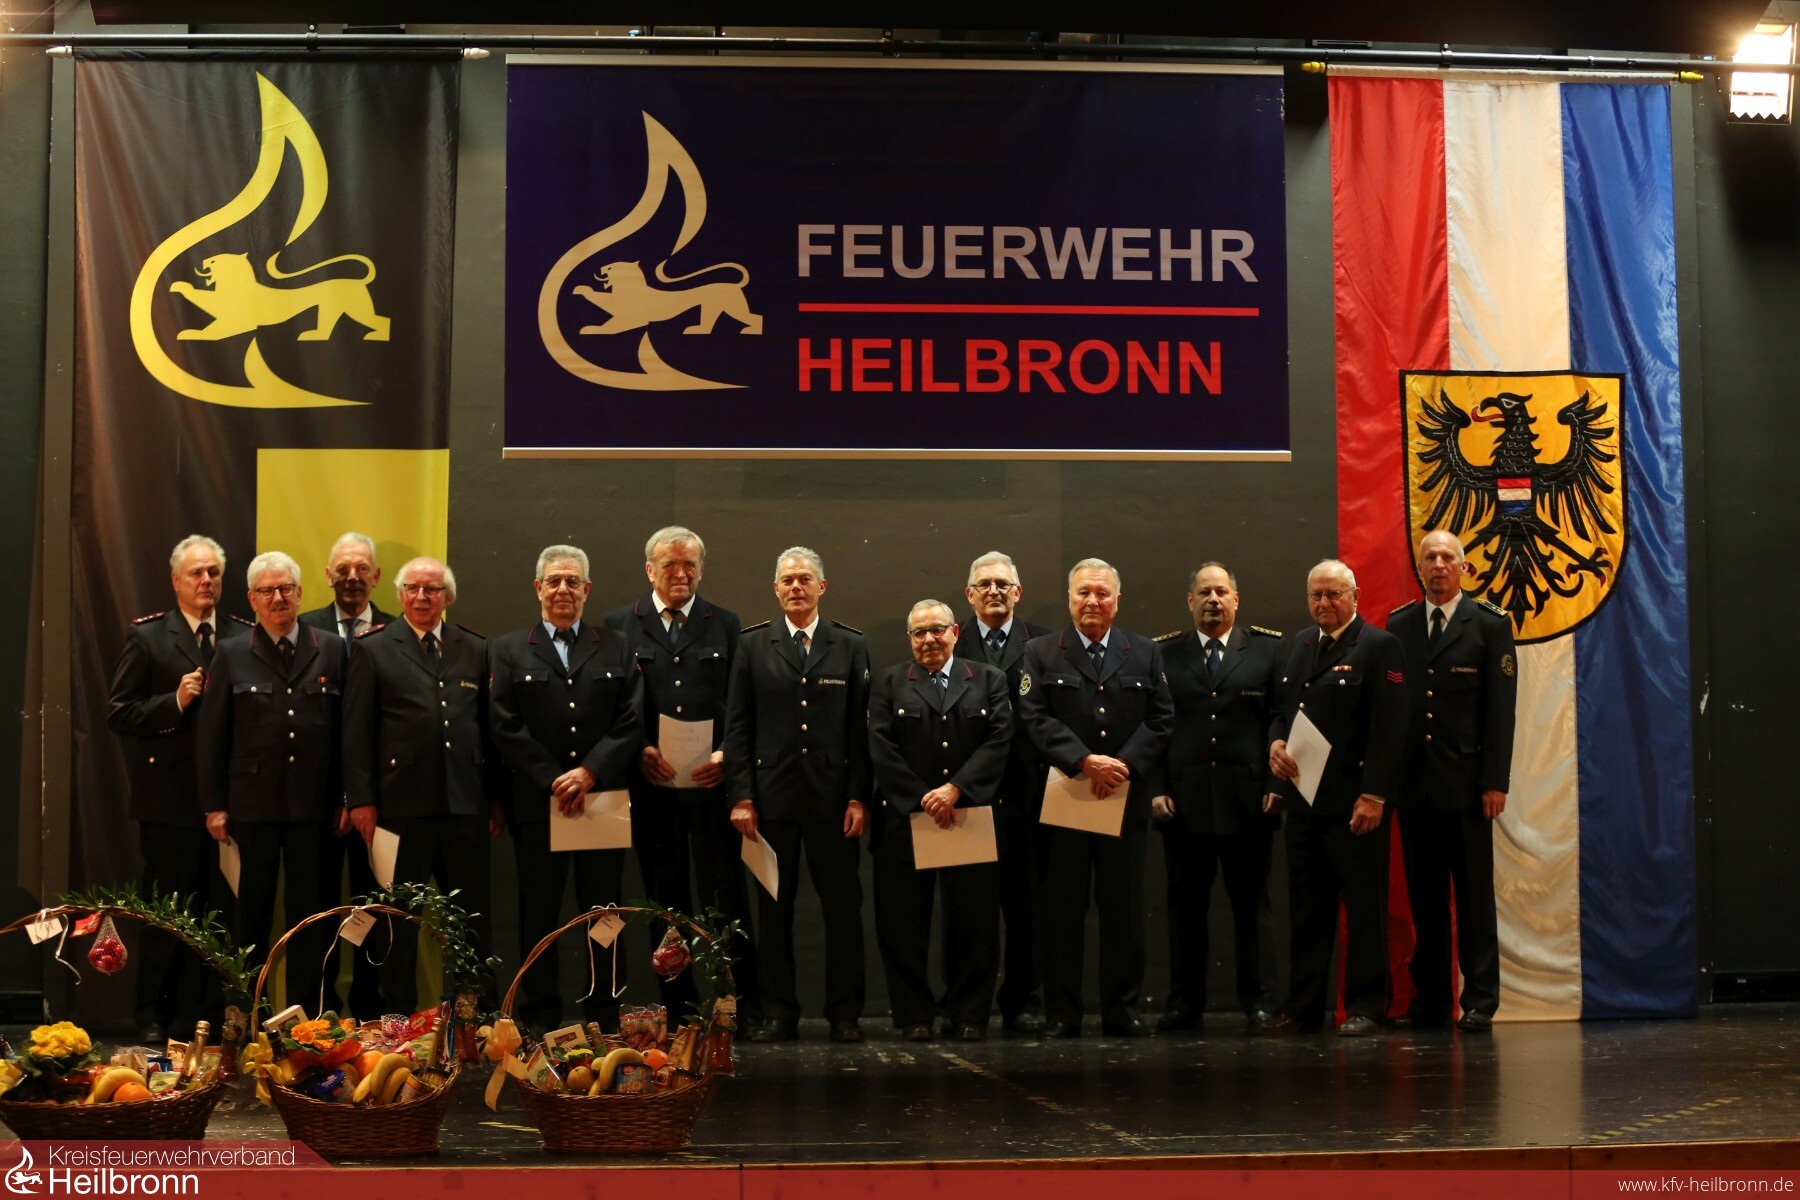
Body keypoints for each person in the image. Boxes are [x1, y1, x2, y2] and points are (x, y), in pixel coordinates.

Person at [603, 526, 757, 1026]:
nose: (681, 573)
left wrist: (727, 755)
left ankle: (737, 1004)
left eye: (690, 564)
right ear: (650, 570)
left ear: (701, 569)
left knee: (724, 897)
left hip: (712, 787)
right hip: (654, 788)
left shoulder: (725, 623)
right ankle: (679, 1007)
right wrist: (639, 749)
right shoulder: (620, 624)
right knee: (664, 902)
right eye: (670, 564)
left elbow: (740, 702)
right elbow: (616, 702)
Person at [489, 545, 644, 1034]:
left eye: (572, 581)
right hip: (540, 802)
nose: (563, 589)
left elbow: (631, 719)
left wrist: (590, 772)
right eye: (553, 581)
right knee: (539, 910)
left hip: (602, 799)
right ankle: (541, 1013)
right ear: (538, 588)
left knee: (605, 911)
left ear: (587, 589)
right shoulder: (508, 650)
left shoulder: (616, 645)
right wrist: (554, 778)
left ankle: (605, 1010)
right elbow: (504, 724)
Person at [1016, 558, 1174, 1038]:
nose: (1092, 601)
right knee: (1062, 912)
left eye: (1102, 593)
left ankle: (1121, 1010)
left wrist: (1120, 766)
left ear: (1117, 600)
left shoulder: (1144, 652)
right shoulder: (1041, 652)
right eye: (1083, 592)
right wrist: (1085, 761)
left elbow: (1161, 719)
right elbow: (1034, 716)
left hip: (1123, 801)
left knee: (1124, 912)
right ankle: (1062, 1013)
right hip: (1065, 798)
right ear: (1069, 598)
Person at [341, 556, 503, 1011]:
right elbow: (356, 733)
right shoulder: (373, 648)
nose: (421, 597)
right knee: (397, 922)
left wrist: (494, 798)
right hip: (398, 809)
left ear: (447, 597)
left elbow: (487, 730)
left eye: (432, 589)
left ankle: (477, 1016)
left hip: (464, 806)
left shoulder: (474, 647)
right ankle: (398, 1018)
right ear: (399, 595)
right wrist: (361, 800)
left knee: (470, 920)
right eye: (412, 588)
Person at [724, 546, 871, 1043]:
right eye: (787, 579)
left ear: (821, 587)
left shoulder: (849, 644)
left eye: (804, 579)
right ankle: (779, 1013)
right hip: (772, 800)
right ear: (775, 588)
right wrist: (741, 796)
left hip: (834, 801)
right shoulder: (753, 645)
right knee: (773, 912)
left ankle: (845, 1013)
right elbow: (738, 727)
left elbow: (859, 731)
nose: (795, 587)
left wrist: (858, 796)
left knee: (843, 911)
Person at [1261, 559, 1409, 1037]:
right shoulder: (1296, 646)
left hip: (1355, 803)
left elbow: (1391, 728)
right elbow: (1280, 710)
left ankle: (1367, 1006)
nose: (1324, 603)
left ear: (1355, 596)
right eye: (1316, 595)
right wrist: (1276, 743)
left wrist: (1374, 794)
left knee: (1364, 910)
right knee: (1307, 911)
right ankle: (1303, 1008)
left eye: (1333, 594)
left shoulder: (1379, 646)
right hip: (1304, 800)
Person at [107, 534, 244, 1042]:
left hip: (228, 801)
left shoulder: (241, 634)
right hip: (169, 802)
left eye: (213, 572)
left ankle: (205, 1016)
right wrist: (175, 701)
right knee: (167, 913)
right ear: (176, 581)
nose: (206, 581)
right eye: (196, 573)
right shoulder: (149, 637)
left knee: (219, 913)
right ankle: (152, 1015)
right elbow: (119, 713)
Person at [196, 551, 346, 1014]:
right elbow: (212, 734)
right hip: (251, 807)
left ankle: (309, 1020)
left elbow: (347, 732)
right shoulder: (231, 652)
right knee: (250, 919)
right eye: (267, 591)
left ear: (300, 594)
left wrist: (347, 797)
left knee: (311, 920)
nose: (277, 598)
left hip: (314, 808)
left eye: (285, 589)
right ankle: (247, 1016)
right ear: (252, 599)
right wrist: (214, 804)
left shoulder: (332, 648)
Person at [1144, 562, 1282, 1032]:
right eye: (1204, 593)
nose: (1213, 600)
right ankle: (1184, 1003)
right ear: (1190, 601)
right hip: (1184, 804)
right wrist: (1157, 789)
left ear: (1236, 600)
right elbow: (1154, 726)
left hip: (1250, 801)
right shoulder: (1163, 654)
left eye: (1221, 592)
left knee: (1253, 908)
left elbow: (1281, 720)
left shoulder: (1267, 651)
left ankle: (1260, 1002)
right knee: (1185, 911)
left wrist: (1276, 786)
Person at [1389, 530, 1517, 1033]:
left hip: (1467, 786)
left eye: (1447, 557)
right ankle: (1432, 1002)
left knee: (1473, 899)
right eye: (1430, 557)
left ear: (1464, 567)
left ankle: (1480, 1000)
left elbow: (1500, 713)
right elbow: (1398, 705)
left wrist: (1495, 782)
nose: (1438, 564)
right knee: (1425, 900)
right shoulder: (1400, 625)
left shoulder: (1489, 624)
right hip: (1415, 786)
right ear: (1419, 567)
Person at [868, 600, 1013, 1042]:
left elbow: (999, 739)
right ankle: (915, 1016)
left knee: (974, 922)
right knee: (903, 924)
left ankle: (968, 1015)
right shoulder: (888, 682)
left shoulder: (988, 679)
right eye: (919, 633)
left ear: (955, 633)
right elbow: (880, 746)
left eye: (937, 630)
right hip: (906, 818)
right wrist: (923, 796)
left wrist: (955, 789)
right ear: (909, 639)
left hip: (968, 813)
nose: (929, 639)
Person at [957, 551, 1052, 1034]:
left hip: (1028, 793)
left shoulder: (1045, 643)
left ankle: (1024, 1002)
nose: (993, 591)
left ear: (1017, 592)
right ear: (969, 594)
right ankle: (968, 1008)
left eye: (1002, 584)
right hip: (969, 794)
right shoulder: (949, 639)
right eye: (984, 584)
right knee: (970, 911)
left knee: (1028, 908)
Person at [300, 531, 391, 1016]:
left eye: (361, 568)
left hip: (380, 801)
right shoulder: (302, 630)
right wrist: (340, 794)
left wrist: (360, 794)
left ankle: (371, 1009)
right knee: (318, 910)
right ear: (328, 575)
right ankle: (319, 1012)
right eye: (342, 569)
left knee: (374, 908)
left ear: (376, 576)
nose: (352, 577)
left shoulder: (399, 631)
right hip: (318, 802)